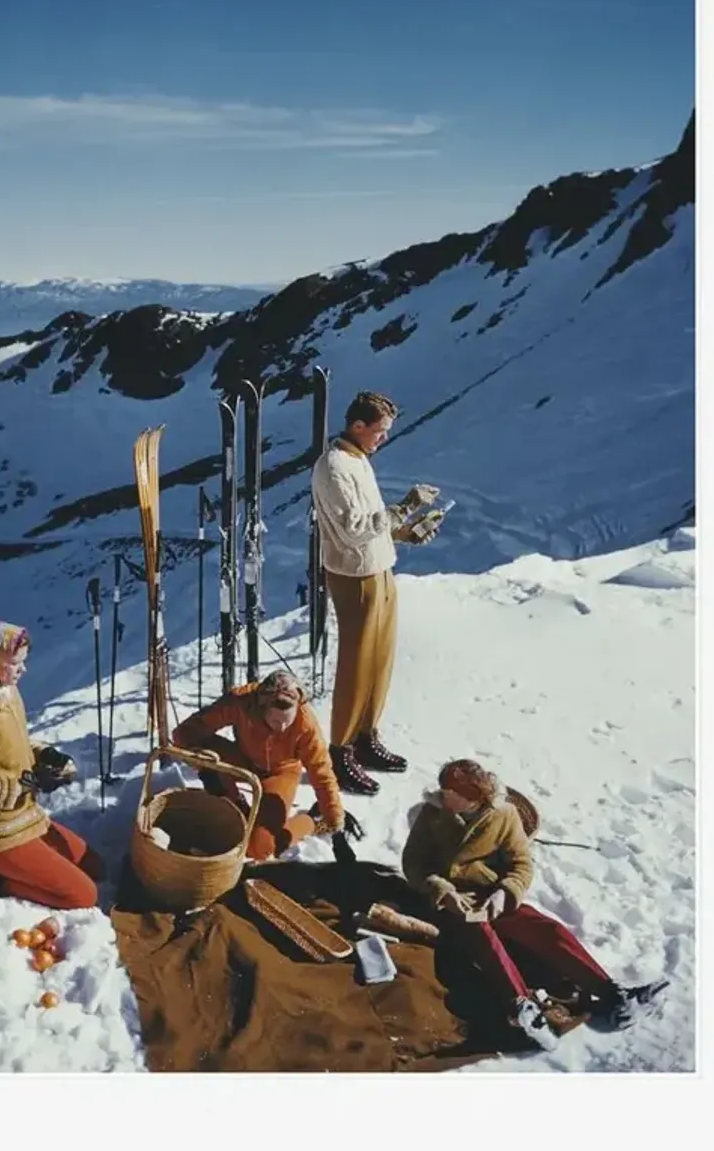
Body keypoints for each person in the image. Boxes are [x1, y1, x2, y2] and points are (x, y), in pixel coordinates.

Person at [401, 758, 669, 1050]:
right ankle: (522, 1006)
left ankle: (612, 994)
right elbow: (413, 863)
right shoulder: (432, 813)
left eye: (454, 794)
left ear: (475, 798)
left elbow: (521, 864)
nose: (446, 797)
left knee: (544, 928)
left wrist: (505, 892)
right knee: (482, 936)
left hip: (492, 894)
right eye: (444, 790)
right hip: (448, 900)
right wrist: (440, 887)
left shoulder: (504, 816)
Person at [310, 388, 443, 795]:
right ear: (358, 426)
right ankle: (341, 749)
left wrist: (402, 533)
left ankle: (366, 735)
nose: (382, 438)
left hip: (378, 568)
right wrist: (402, 509)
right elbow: (353, 531)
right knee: (356, 661)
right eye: (379, 431)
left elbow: (370, 524)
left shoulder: (357, 461)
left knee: (379, 659)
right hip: (355, 576)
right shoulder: (335, 468)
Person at [0, 620, 103, 910]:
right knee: (82, 896)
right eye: (15, 663)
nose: (23, 669)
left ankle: (5, 868)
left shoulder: (4, 689)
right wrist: (22, 785)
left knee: (94, 866)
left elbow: (9, 747)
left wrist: (44, 756)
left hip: (23, 816)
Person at [171, 671, 349, 862]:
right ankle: (234, 802)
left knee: (260, 848)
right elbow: (186, 731)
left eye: (286, 722)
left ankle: (310, 821)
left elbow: (321, 772)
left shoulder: (306, 725)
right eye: (275, 721)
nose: (281, 728)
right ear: (262, 707)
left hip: (281, 772)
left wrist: (335, 822)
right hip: (243, 758)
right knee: (210, 757)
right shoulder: (241, 702)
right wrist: (200, 758)